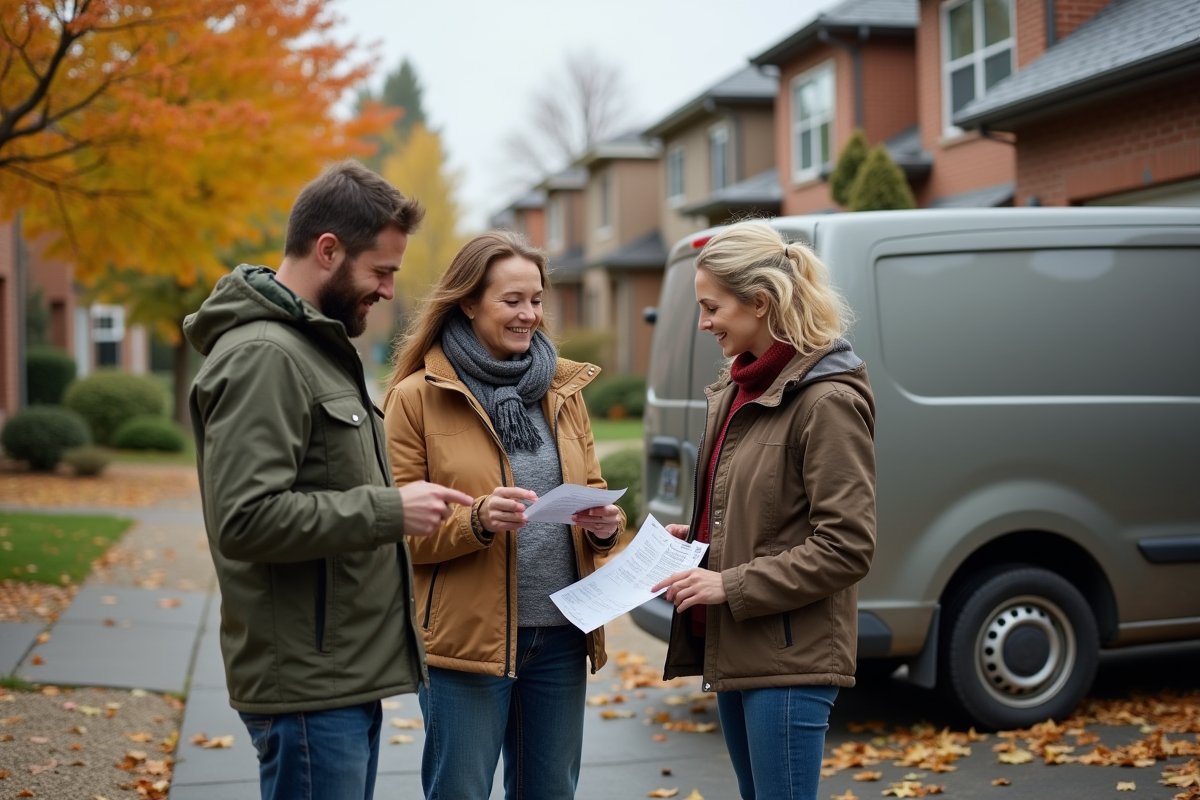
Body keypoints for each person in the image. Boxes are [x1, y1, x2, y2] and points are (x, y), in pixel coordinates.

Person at [185, 160, 473, 800]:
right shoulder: (266, 355)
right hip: (309, 688)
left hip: (338, 680)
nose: (389, 291)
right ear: (327, 250)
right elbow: (246, 519)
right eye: (382, 271)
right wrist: (390, 511)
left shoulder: (313, 349)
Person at [383, 229, 626, 800]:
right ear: (468, 301)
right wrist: (478, 521)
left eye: (536, 300)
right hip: (465, 645)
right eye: (512, 300)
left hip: (561, 634)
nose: (529, 315)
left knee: (550, 792)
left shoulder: (563, 390)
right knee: (460, 791)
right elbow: (391, 529)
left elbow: (590, 489)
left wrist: (604, 528)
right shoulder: (417, 397)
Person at [651, 220, 877, 800]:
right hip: (736, 646)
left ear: (760, 301)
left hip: (789, 656)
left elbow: (846, 546)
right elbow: (750, 508)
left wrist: (728, 582)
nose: (703, 323)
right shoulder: (737, 388)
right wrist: (694, 538)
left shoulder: (827, 401)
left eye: (711, 307)